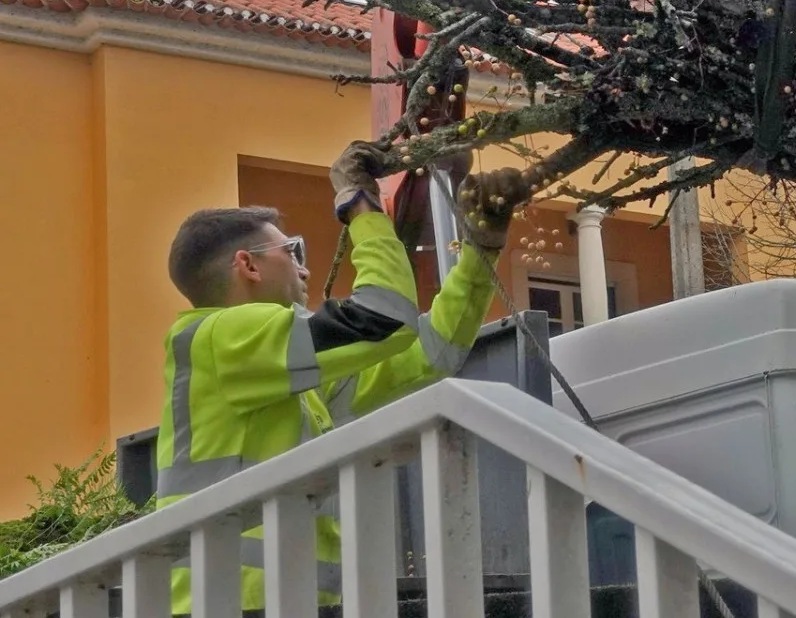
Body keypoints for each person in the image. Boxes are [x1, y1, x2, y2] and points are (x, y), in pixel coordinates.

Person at [158, 142, 532, 612]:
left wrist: (479, 250)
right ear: (247, 265)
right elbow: (385, 317)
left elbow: (432, 354)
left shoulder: (276, 370)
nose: (304, 268)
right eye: (292, 251)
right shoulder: (222, 337)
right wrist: (359, 206)